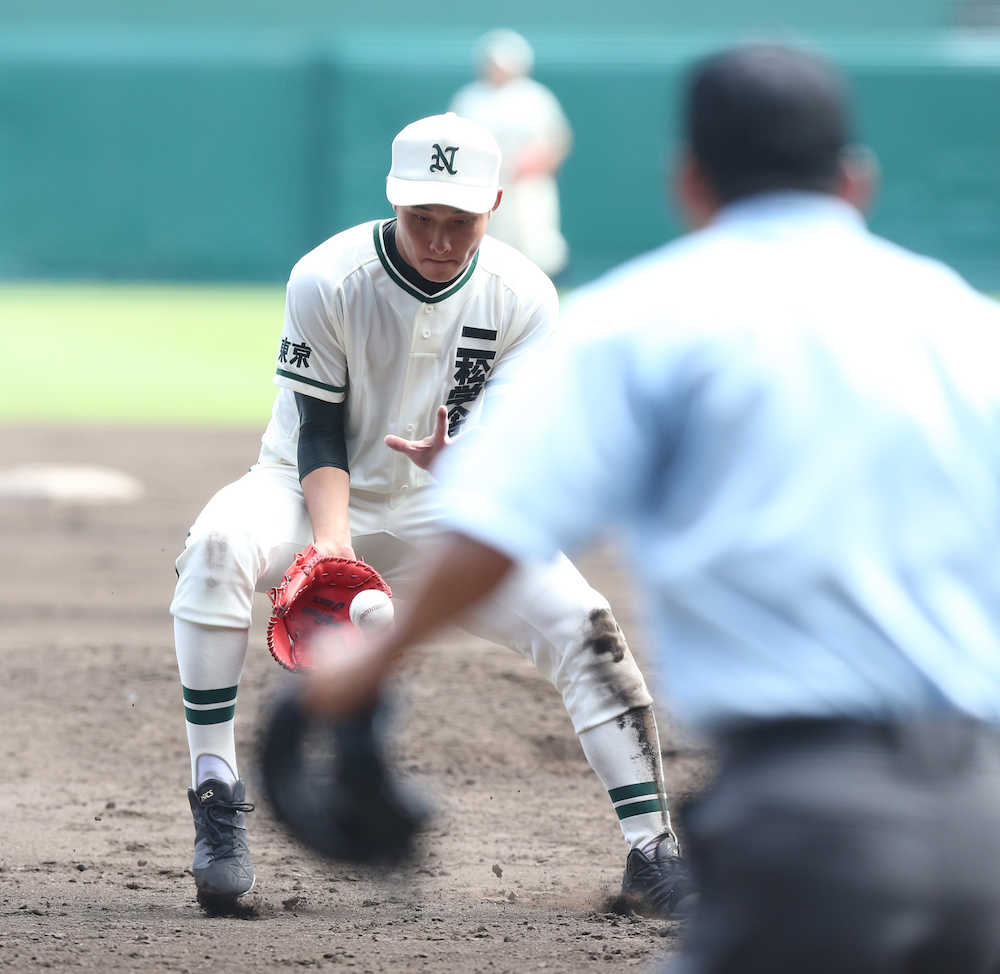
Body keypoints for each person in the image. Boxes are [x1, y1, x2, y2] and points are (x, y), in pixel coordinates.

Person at [300, 46, 1000, 972]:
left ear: (691, 182)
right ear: (855, 180)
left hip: (813, 815)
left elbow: (504, 526)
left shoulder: (643, 321)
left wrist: (367, 664)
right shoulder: (968, 325)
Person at [169, 111, 690, 915]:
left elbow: (513, 454)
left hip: (447, 513)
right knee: (215, 546)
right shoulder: (328, 277)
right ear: (392, 202)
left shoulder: (523, 294)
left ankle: (653, 851)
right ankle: (216, 797)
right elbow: (319, 430)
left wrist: (465, 466)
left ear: (493, 205)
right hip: (303, 493)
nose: (440, 239)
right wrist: (334, 552)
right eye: (422, 219)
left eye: (460, 221)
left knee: (584, 623)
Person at [450, 29, 572, 278]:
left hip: (526, 185)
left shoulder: (535, 97)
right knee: (486, 241)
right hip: (483, 185)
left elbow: (558, 139)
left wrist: (538, 162)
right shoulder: (470, 99)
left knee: (535, 241)